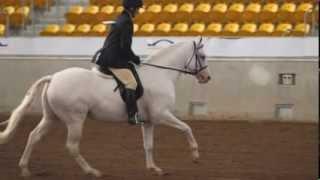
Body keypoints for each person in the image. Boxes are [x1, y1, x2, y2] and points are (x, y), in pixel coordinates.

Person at [94, 0, 144, 125]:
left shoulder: (120, 17)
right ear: (132, 9)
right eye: (137, 9)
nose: (138, 12)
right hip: (113, 58)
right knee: (131, 83)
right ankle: (132, 116)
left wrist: (131, 58)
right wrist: (135, 58)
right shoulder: (127, 22)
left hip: (111, 55)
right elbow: (125, 47)